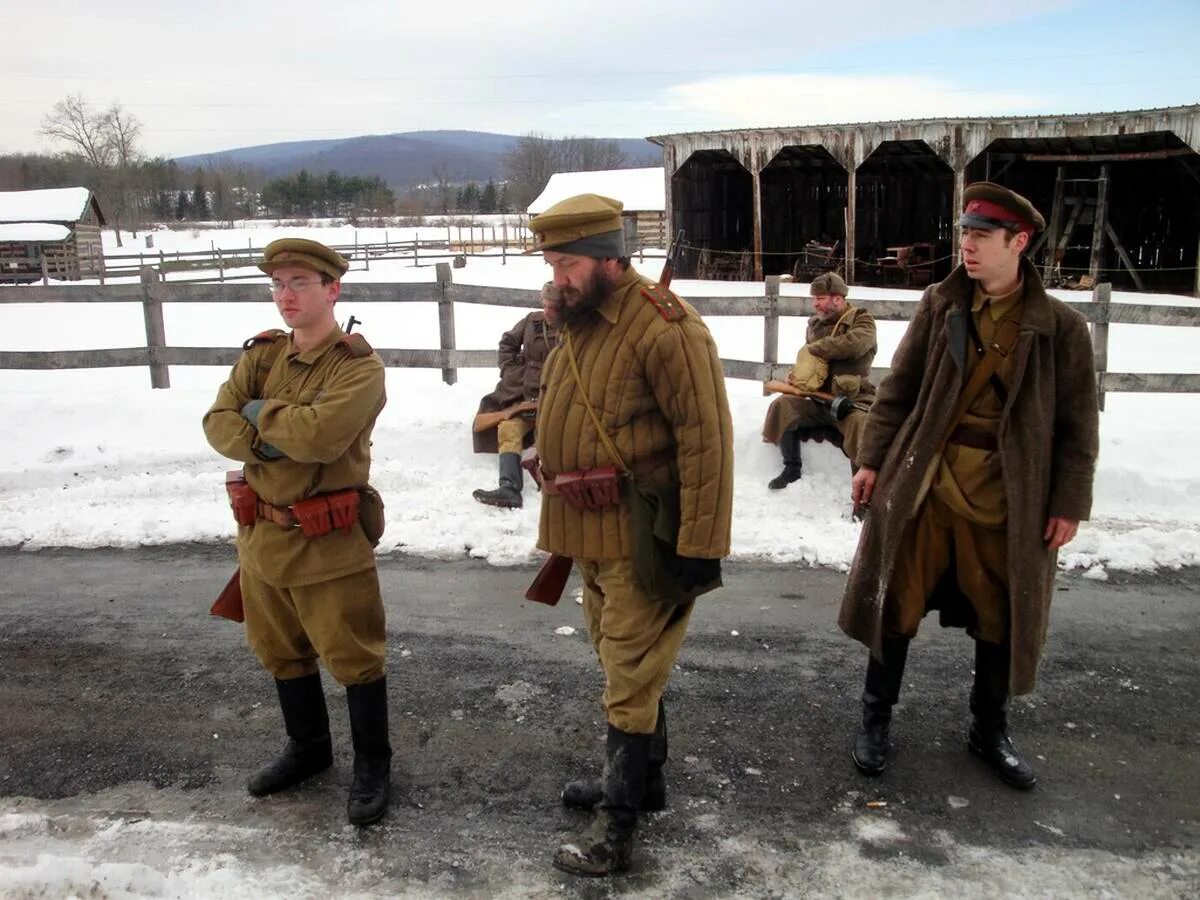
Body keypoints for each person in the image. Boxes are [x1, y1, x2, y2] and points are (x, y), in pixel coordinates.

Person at [839, 182, 1100, 789]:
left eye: (983, 236)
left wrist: (1068, 502)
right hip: (926, 486)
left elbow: (1078, 428)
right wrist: (872, 460)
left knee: (1000, 616)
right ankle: (875, 719)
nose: (968, 247)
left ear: (1020, 241)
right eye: (966, 233)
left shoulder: (1061, 329)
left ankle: (989, 730)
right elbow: (897, 390)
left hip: (1009, 496)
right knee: (896, 602)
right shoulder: (941, 304)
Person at [529, 194, 734, 877]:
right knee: (627, 666)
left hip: (646, 538)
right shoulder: (581, 322)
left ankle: (616, 834)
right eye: (553, 262)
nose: (556, 276)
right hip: (589, 532)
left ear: (610, 257)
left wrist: (698, 548)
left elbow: (707, 442)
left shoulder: (667, 329)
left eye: (566, 262)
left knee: (627, 677)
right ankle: (644, 784)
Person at [202, 238, 393, 826]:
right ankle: (308, 750)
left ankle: (373, 766)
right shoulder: (262, 356)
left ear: (332, 289)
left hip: (327, 540)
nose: (286, 296)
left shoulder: (357, 365)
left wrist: (258, 415)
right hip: (261, 537)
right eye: (278, 284)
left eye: (299, 284)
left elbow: (322, 437)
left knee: (353, 654)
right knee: (280, 651)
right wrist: (269, 433)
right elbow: (216, 423)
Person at [761, 271, 876, 489]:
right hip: (817, 397)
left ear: (838, 299)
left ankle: (862, 491)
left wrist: (815, 348)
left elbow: (853, 344)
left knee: (862, 426)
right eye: (814, 299)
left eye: (820, 299)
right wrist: (798, 377)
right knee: (782, 406)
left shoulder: (863, 321)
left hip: (851, 398)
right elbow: (811, 365)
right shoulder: (814, 324)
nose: (815, 304)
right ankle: (792, 468)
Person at [471, 282, 561, 508]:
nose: (548, 311)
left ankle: (554, 486)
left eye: (554, 307)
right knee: (508, 428)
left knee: (551, 436)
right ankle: (509, 488)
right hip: (524, 401)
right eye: (546, 305)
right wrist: (510, 370)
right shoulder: (532, 322)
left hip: (557, 404)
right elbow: (507, 343)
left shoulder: (574, 329)